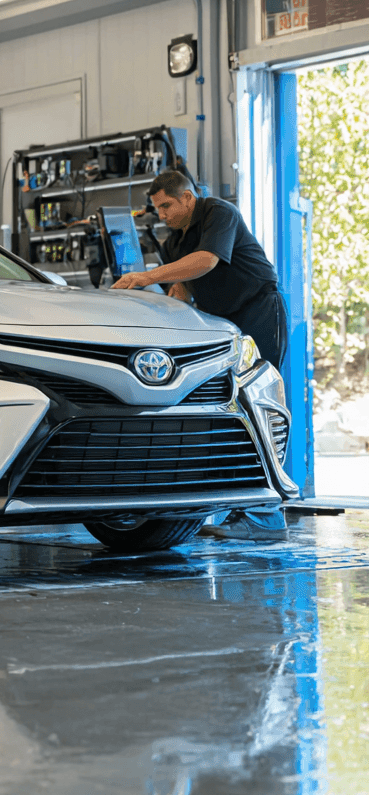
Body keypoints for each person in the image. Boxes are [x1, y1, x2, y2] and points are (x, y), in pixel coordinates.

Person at [110, 169, 289, 541]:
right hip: (222, 325)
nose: (161, 214)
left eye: (166, 206)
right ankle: (234, 505)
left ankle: (267, 516)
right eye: (157, 208)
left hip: (258, 311)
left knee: (258, 405)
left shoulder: (218, 213)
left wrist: (145, 277)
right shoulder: (174, 243)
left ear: (188, 198)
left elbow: (206, 260)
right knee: (224, 411)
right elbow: (183, 292)